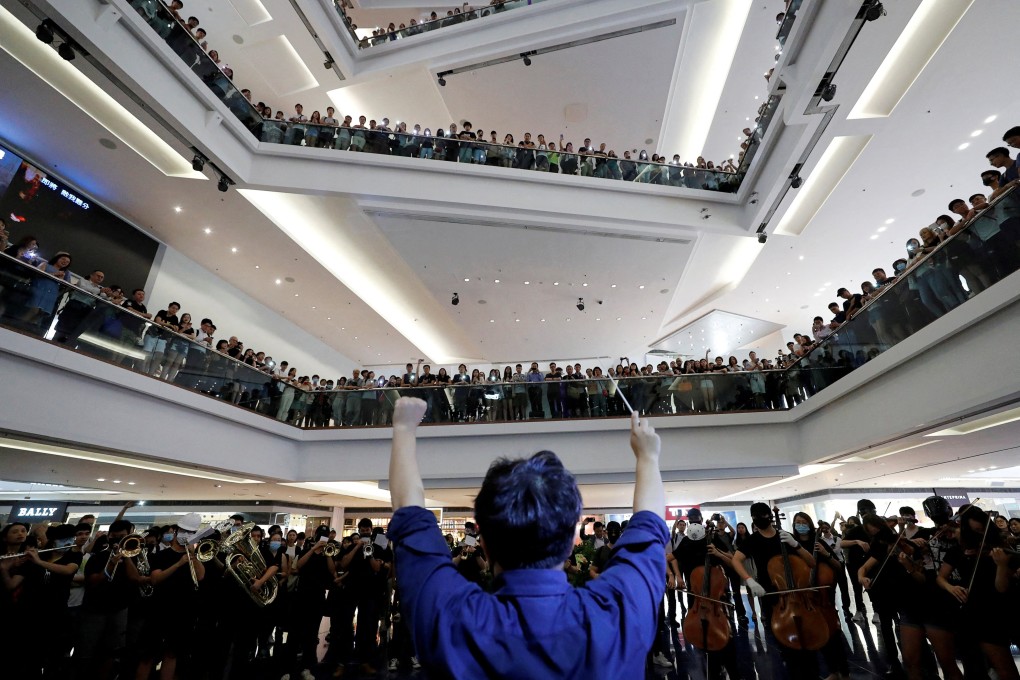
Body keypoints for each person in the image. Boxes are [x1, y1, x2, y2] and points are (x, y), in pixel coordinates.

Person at [386, 398, 667, 678]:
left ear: (482, 539)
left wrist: (403, 428)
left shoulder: (452, 618)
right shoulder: (617, 613)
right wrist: (648, 457)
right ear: (572, 538)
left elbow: (410, 513)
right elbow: (648, 526)